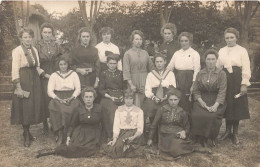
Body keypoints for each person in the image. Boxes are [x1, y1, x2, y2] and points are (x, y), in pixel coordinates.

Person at [37, 87, 104, 158]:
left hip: (94, 132)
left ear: (94, 98)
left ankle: (89, 151)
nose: (88, 99)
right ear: (83, 98)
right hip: (82, 133)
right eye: (86, 97)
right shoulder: (78, 109)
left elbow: (104, 123)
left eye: (90, 97)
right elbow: (72, 125)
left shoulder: (99, 108)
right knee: (74, 147)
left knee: (92, 147)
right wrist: (68, 137)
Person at [11, 28, 47, 147]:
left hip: (35, 79)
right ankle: (26, 134)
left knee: (32, 106)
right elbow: (15, 69)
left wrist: (47, 75)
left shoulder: (34, 50)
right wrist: (18, 87)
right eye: (25, 37)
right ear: (21, 38)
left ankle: (28, 132)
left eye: (29, 37)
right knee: (25, 106)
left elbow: (37, 67)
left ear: (32, 38)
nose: (27, 39)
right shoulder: (17, 51)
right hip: (24, 79)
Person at [217, 27, 251, 145]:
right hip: (225, 78)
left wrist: (244, 84)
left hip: (237, 78)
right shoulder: (221, 50)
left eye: (232, 37)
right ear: (224, 39)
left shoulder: (242, 50)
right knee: (227, 104)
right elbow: (218, 67)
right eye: (227, 38)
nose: (229, 40)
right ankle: (227, 131)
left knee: (236, 104)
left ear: (236, 37)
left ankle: (235, 133)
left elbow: (246, 68)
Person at [191, 49, 227, 147]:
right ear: (205, 60)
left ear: (216, 60)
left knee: (211, 116)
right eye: (208, 59)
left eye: (212, 59)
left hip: (216, 100)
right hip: (202, 99)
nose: (210, 62)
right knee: (196, 115)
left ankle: (210, 138)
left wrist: (215, 105)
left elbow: (222, 91)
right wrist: (201, 102)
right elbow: (196, 90)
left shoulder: (221, 74)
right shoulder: (200, 73)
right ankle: (199, 137)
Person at [147, 87, 194, 158]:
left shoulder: (182, 112)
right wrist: (150, 138)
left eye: (175, 100)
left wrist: (184, 132)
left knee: (178, 146)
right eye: (171, 100)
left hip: (177, 135)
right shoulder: (162, 110)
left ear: (179, 100)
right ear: (168, 100)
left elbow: (187, 126)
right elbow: (154, 125)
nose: (173, 102)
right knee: (174, 148)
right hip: (164, 135)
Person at [35, 22, 63, 133]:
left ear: (52, 33)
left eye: (49, 32)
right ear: (41, 33)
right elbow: (35, 63)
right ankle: (45, 123)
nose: (47, 35)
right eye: (45, 32)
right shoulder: (37, 46)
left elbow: (62, 58)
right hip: (43, 74)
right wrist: (44, 74)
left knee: (55, 97)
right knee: (44, 98)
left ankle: (54, 122)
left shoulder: (56, 45)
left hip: (55, 72)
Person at [47, 56, 81, 145]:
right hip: (58, 96)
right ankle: (60, 132)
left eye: (65, 64)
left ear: (68, 65)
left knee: (74, 108)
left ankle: (70, 133)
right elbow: (49, 91)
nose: (63, 66)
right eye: (61, 64)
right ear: (58, 65)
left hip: (71, 96)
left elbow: (78, 89)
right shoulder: (54, 75)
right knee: (59, 109)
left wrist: (72, 97)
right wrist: (58, 99)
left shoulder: (73, 74)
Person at [103, 89, 144, 158]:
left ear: (133, 99)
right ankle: (127, 147)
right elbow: (116, 126)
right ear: (123, 99)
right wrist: (115, 138)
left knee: (118, 149)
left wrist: (133, 137)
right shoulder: (119, 110)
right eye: (126, 98)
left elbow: (140, 128)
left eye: (131, 98)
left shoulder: (139, 111)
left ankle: (130, 146)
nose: (128, 101)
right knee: (114, 147)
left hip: (134, 133)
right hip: (122, 133)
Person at [167, 32, 201, 113]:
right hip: (178, 79)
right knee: (179, 99)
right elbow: (169, 68)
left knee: (188, 102)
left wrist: (193, 84)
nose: (184, 43)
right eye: (182, 41)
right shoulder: (177, 53)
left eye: (186, 41)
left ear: (190, 41)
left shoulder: (194, 53)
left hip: (189, 79)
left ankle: (188, 124)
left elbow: (197, 70)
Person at [143, 52, 176, 126]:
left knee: (165, 108)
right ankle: (153, 129)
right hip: (154, 96)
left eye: (161, 61)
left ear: (165, 62)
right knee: (150, 107)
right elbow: (147, 89)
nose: (159, 64)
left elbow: (173, 89)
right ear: (154, 63)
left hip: (167, 96)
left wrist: (166, 97)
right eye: (157, 62)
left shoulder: (170, 74)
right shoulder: (151, 74)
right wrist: (154, 97)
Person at [123, 30, 154, 108]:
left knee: (144, 101)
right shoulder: (128, 54)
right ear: (132, 41)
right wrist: (131, 84)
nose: (138, 41)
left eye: (140, 39)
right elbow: (126, 70)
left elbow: (151, 68)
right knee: (134, 102)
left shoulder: (145, 53)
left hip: (145, 79)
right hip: (133, 80)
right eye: (136, 39)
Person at [99, 52, 124, 142]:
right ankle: (111, 135)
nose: (112, 65)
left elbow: (124, 87)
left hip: (120, 96)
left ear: (117, 63)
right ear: (107, 64)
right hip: (107, 97)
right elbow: (101, 89)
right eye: (110, 63)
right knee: (112, 111)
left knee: (125, 110)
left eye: (114, 63)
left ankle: (122, 135)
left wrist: (122, 96)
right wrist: (110, 97)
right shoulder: (104, 73)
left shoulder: (121, 73)